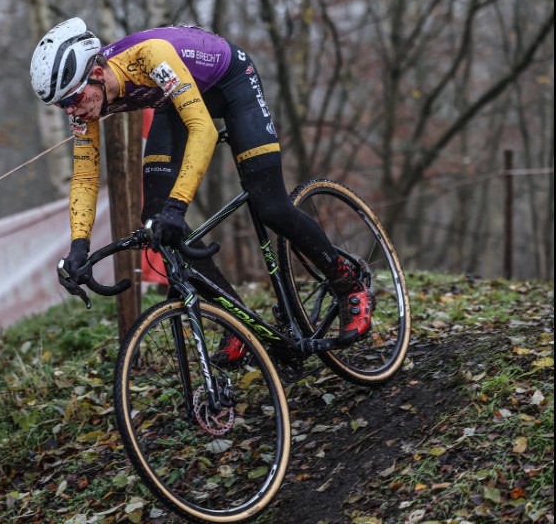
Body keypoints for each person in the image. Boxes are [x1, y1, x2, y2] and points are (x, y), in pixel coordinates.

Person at [29, 18, 374, 360]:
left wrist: (178, 207)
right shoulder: (83, 107)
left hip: (231, 84)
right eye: (61, 106)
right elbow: (85, 177)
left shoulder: (149, 57)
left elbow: (203, 131)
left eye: (73, 98)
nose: (71, 110)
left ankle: (347, 283)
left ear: (98, 75)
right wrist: (78, 246)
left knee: (270, 206)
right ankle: (236, 319)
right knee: (154, 218)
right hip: (173, 99)